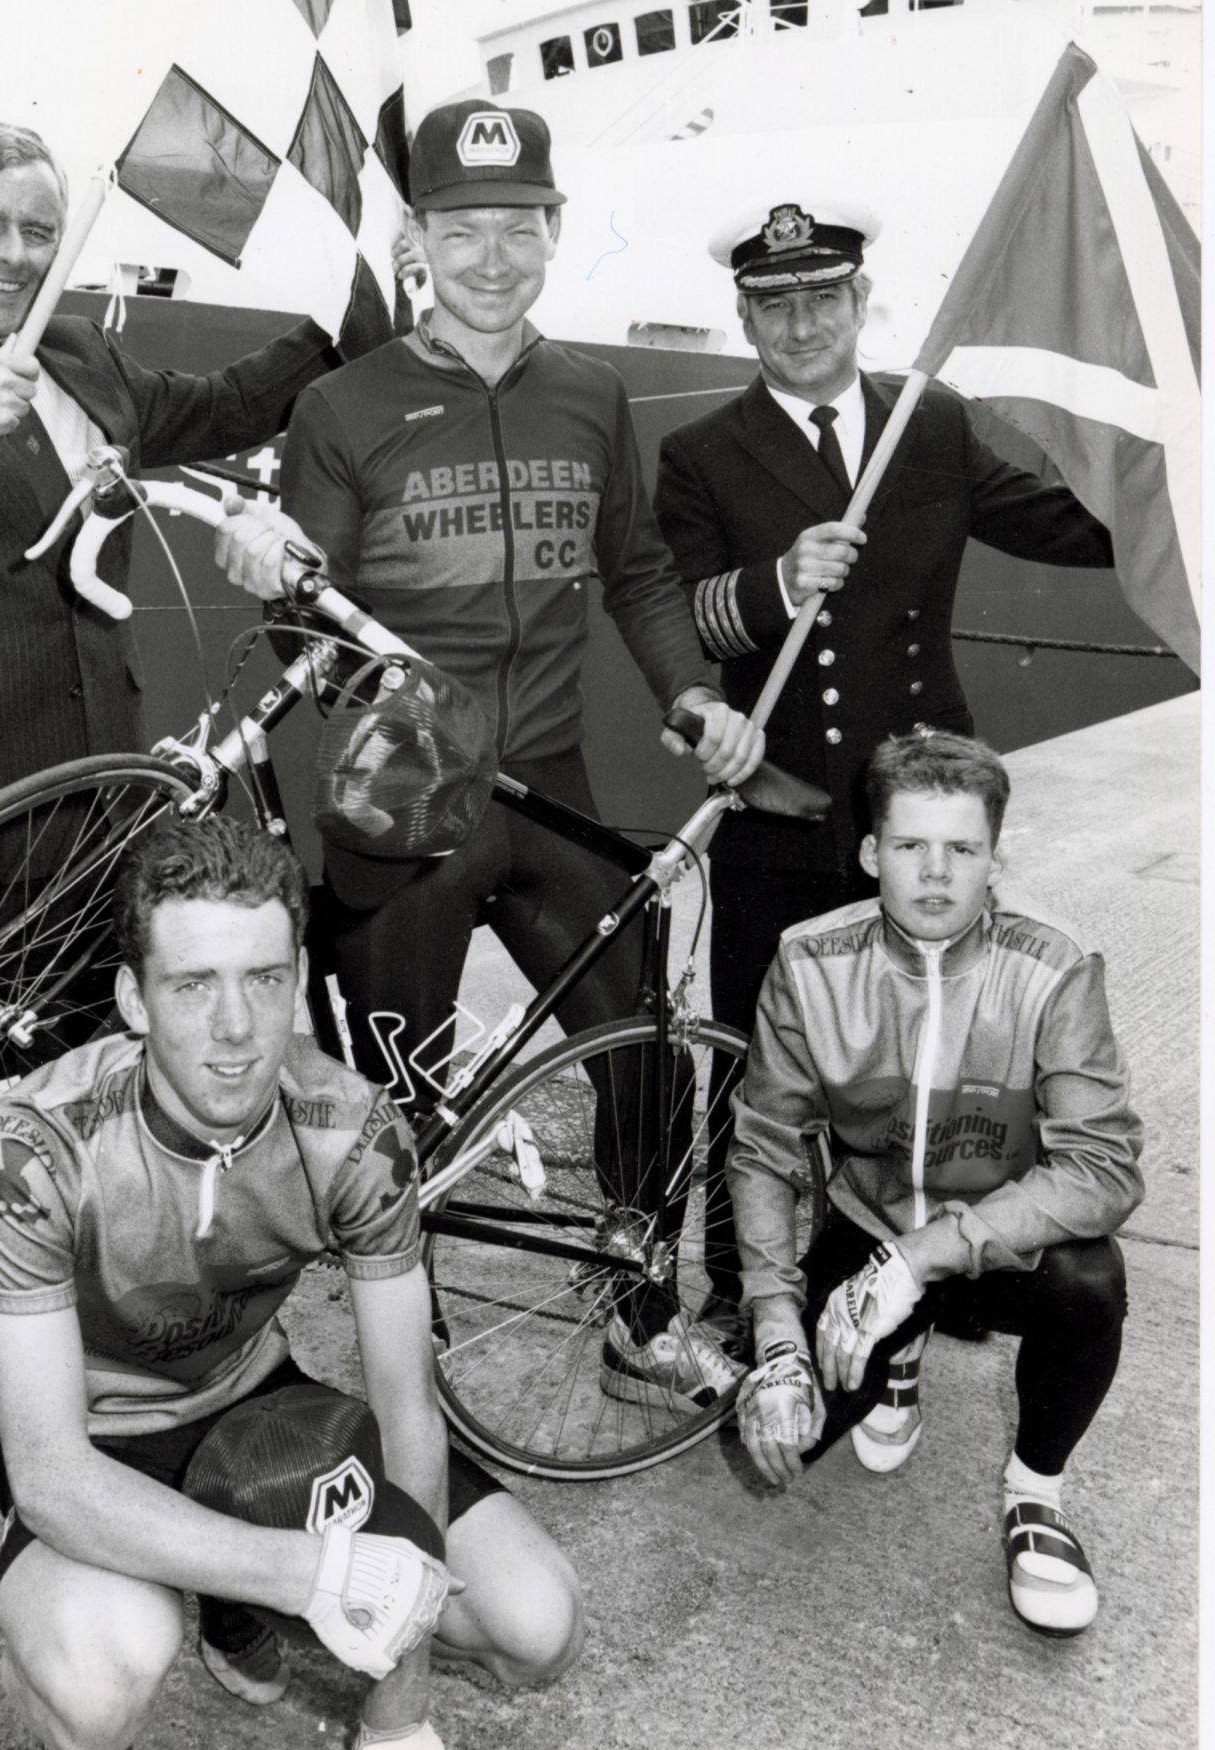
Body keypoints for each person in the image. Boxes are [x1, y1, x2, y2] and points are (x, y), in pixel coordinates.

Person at [0, 119, 355, 1547]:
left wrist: (348, 313)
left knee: (99, 1144)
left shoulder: (86, 360)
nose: (13, 252)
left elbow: (221, 403)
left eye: (38, 229)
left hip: (96, 832)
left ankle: (98, 1399)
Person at [265, 96, 766, 1412]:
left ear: (553, 230)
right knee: (395, 1099)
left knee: (648, 1052)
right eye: (461, 229)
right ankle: (404, 1331)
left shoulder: (591, 395)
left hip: (549, 788)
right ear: (418, 240)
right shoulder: (340, 404)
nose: (490, 257)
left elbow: (639, 573)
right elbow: (301, 621)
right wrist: (285, 583)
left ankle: (643, 1316)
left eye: (517, 227)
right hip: (403, 799)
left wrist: (691, 694)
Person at [0, 815, 582, 1750]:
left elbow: (408, 1412)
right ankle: (77, 1684)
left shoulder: (352, 1130)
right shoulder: (35, 1146)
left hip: (256, 1405)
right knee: (99, 1683)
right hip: (98, 1437)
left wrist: (398, 1708)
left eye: (263, 979)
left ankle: (231, 1589)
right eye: (192, 984)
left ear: (298, 978)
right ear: (133, 998)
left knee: (537, 1623)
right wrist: (311, 1573)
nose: (235, 1027)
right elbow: (46, 1472)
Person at [652, 197, 1115, 1328]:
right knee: (757, 1057)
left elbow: (1053, 522)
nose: (802, 323)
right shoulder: (700, 452)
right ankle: (740, 1289)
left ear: (861, 299)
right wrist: (777, 583)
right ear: (744, 317)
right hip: (783, 801)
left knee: (940, 1049)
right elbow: (683, 617)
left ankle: (934, 1270)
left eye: (824, 297)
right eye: (775, 304)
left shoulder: (930, 421)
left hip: (923, 806)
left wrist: (1170, 501)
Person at [727, 731, 1143, 1636]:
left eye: (962, 847)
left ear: (997, 857)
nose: (937, 872)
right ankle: (899, 1351)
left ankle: (1034, 1492)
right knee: (779, 1433)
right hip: (868, 1226)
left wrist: (919, 1259)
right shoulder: (808, 961)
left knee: (1091, 1281)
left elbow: (1104, 1166)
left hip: (1001, 1236)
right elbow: (763, 1147)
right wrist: (776, 1332)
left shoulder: (1056, 965)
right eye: (911, 843)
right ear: (870, 852)